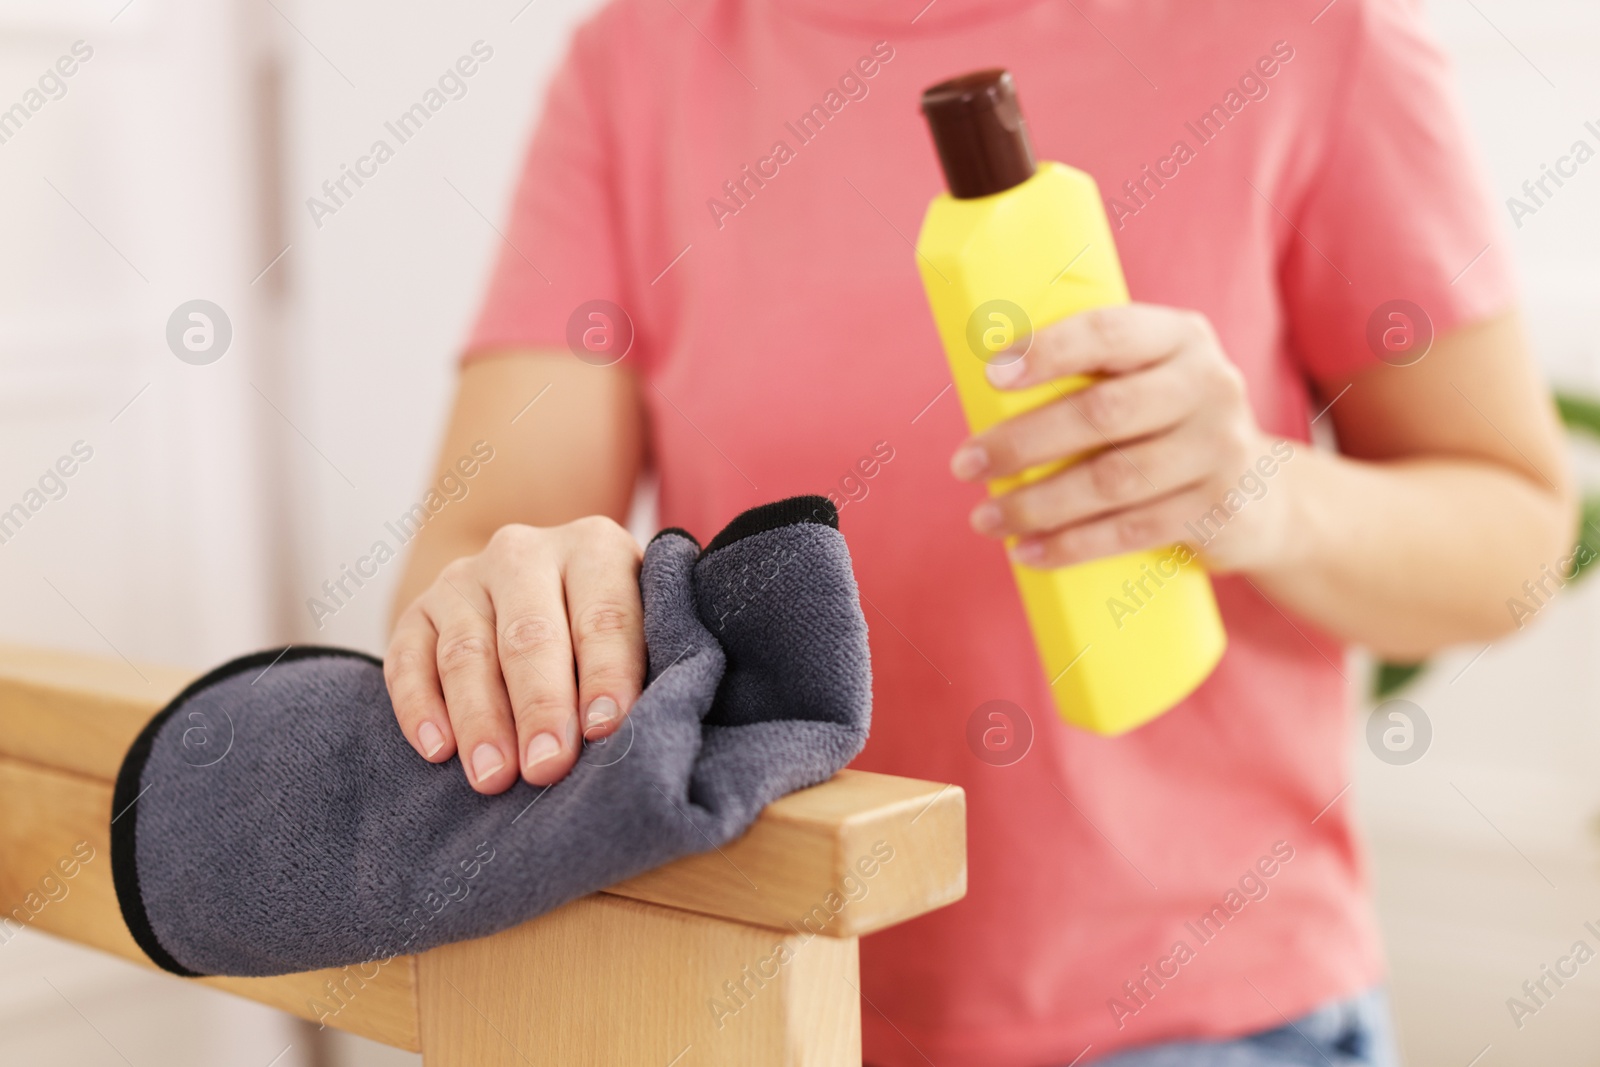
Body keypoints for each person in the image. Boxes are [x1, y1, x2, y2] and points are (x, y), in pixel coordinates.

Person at [383, 0, 1573, 1063]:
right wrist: (518, 601)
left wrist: (1259, 492)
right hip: (760, 1003)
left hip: (1202, 1019)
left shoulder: (1315, 28)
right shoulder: (643, 55)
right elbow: (481, 541)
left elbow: (1515, 541)